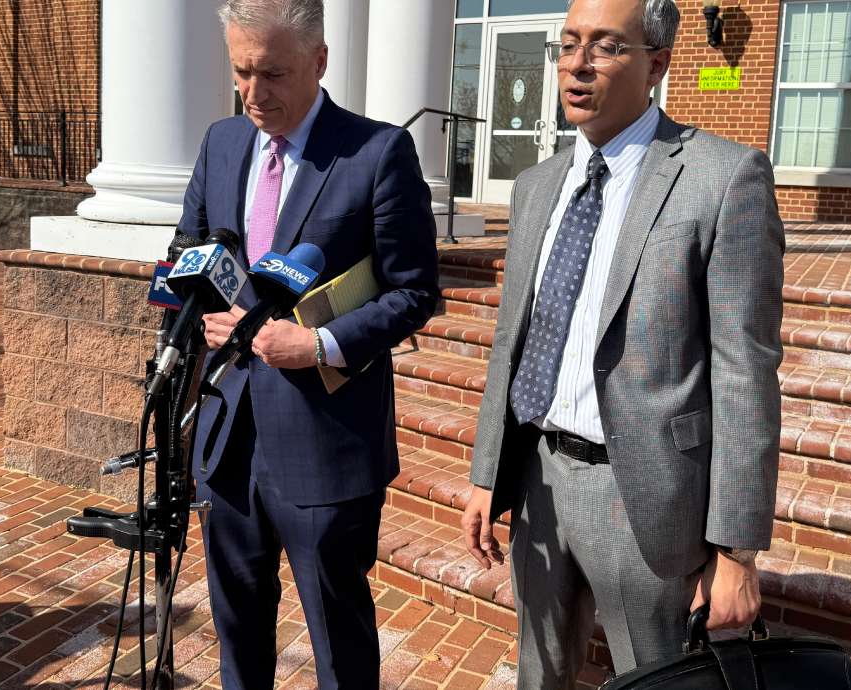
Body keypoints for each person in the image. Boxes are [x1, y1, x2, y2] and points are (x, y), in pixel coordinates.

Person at [460, 0, 783, 686]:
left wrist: (737, 551)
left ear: (657, 64)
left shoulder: (723, 179)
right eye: (569, 44)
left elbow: (743, 375)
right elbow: (511, 340)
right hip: (540, 480)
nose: (578, 65)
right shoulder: (536, 187)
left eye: (606, 47)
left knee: (655, 679)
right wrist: (487, 472)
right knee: (537, 674)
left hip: (647, 501)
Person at [177, 1, 439, 687]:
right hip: (227, 434)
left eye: (274, 74)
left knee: (338, 640)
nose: (255, 94)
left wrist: (319, 342)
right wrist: (204, 304)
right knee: (237, 631)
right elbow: (188, 247)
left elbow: (414, 292)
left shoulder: (377, 152)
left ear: (319, 62)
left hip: (327, 443)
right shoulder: (222, 142)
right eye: (242, 72)